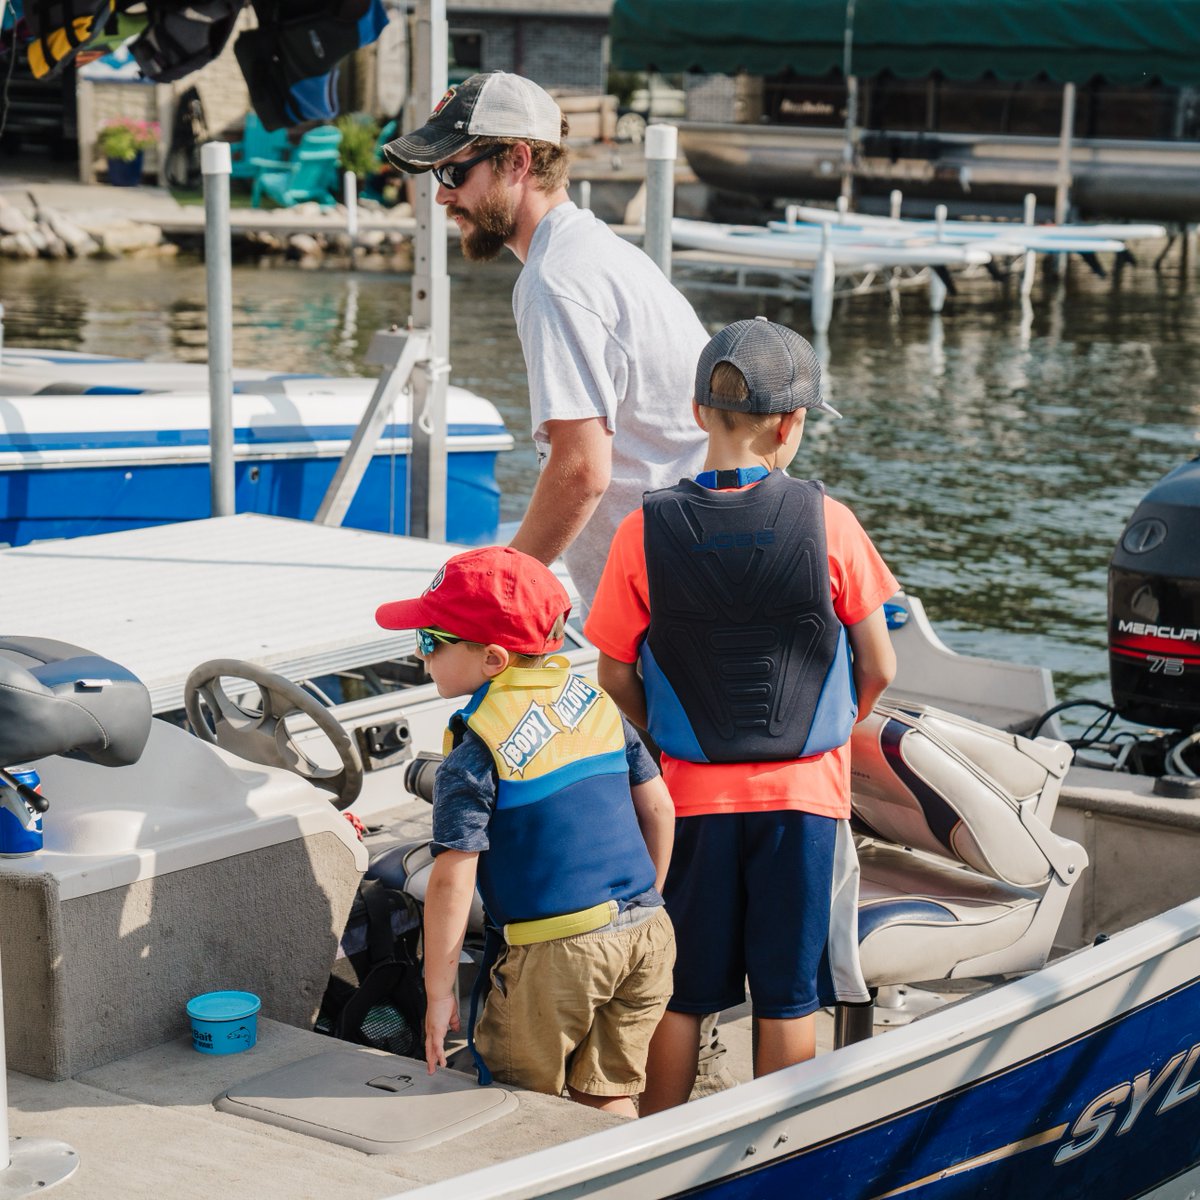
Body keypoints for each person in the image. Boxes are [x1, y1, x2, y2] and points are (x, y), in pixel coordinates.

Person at [583, 317, 899, 1113]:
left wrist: (663, 734)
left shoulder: (641, 531)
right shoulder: (830, 521)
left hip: (691, 798)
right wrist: (831, 727)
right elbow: (880, 663)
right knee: (789, 995)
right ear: (790, 426)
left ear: (698, 413)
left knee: (684, 993)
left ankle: (657, 1143)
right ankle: (781, 1155)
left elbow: (613, 668)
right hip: (804, 799)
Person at [383, 71, 709, 610]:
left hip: (674, 604)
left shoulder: (554, 279)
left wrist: (500, 597)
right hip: (700, 575)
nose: (441, 194)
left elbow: (581, 471)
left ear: (518, 161)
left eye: (453, 170)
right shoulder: (599, 250)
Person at [375, 545, 675, 1117]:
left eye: (429, 642)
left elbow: (450, 885)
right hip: (648, 936)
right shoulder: (597, 705)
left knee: (519, 1106)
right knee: (609, 1090)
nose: (421, 658)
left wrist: (439, 994)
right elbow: (658, 810)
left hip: (555, 952)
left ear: (491, 659)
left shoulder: (475, 752)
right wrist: (645, 902)